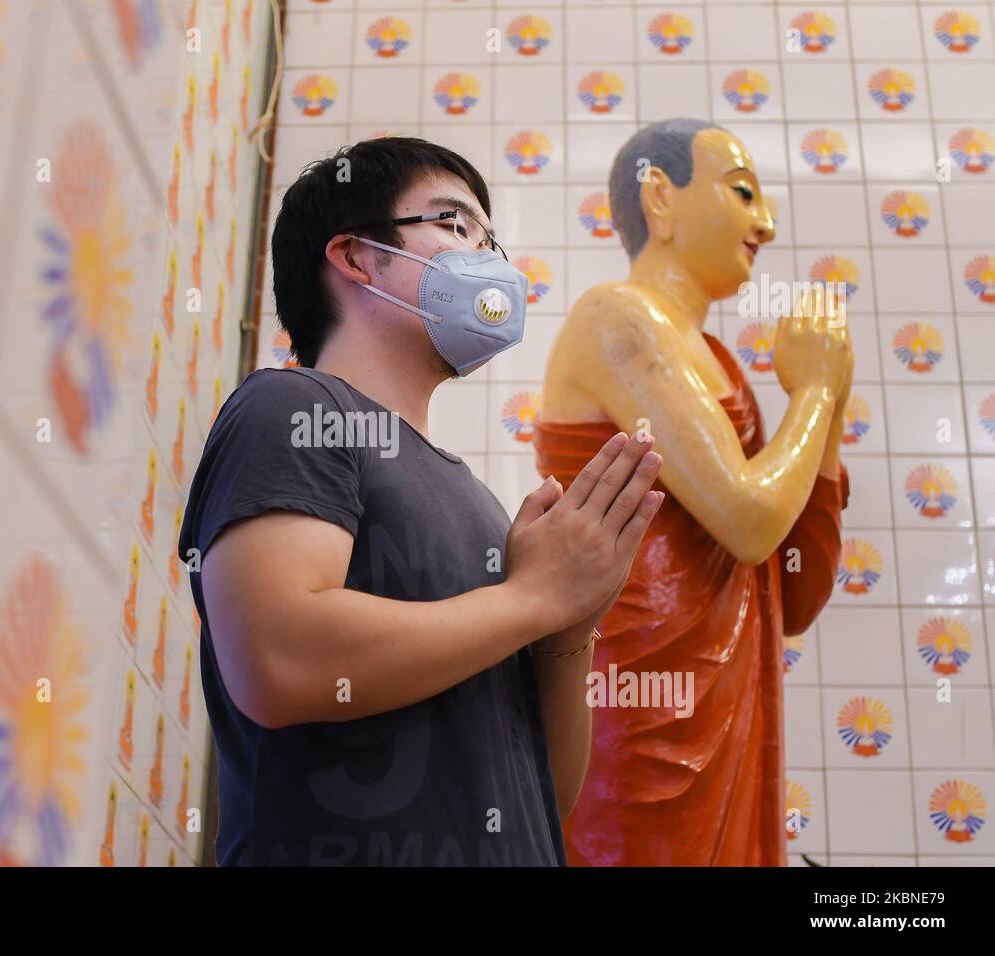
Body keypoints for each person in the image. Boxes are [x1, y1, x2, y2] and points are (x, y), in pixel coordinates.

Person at [178, 136, 665, 866]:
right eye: (454, 223)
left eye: (490, 238)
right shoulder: (290, 406)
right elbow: (277, 659)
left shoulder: (479, 503)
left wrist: (568, 630)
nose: (489, 260)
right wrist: (534, 599)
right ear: (355, 257)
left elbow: (547, 794)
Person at [533, 118, 853, 865]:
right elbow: (746, 518)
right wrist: (810, 396)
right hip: (642, 715)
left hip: (733, 711)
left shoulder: (718, 363)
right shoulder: (614, 317)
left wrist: (828, 404)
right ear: (660, 198)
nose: (766, 223)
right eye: (743, 193)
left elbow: (792, 595)